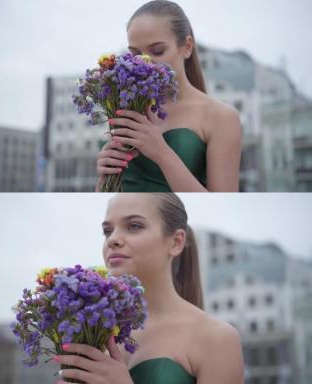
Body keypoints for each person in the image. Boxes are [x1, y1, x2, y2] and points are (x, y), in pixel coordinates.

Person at [57, 193, 244, 383]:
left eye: (134, 226)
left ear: (176, 242)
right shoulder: (95, 333)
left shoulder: (217, 338)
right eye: (107, 231)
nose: (113, 239)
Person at [96, 0, 241, 192]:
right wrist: (104, 177)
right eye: (135, 55)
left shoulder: (221, 116)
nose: (145, 62)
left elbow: (223, 205)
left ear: (187, 46)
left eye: (157, 51)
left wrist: (161, 152)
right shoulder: (129, 108)